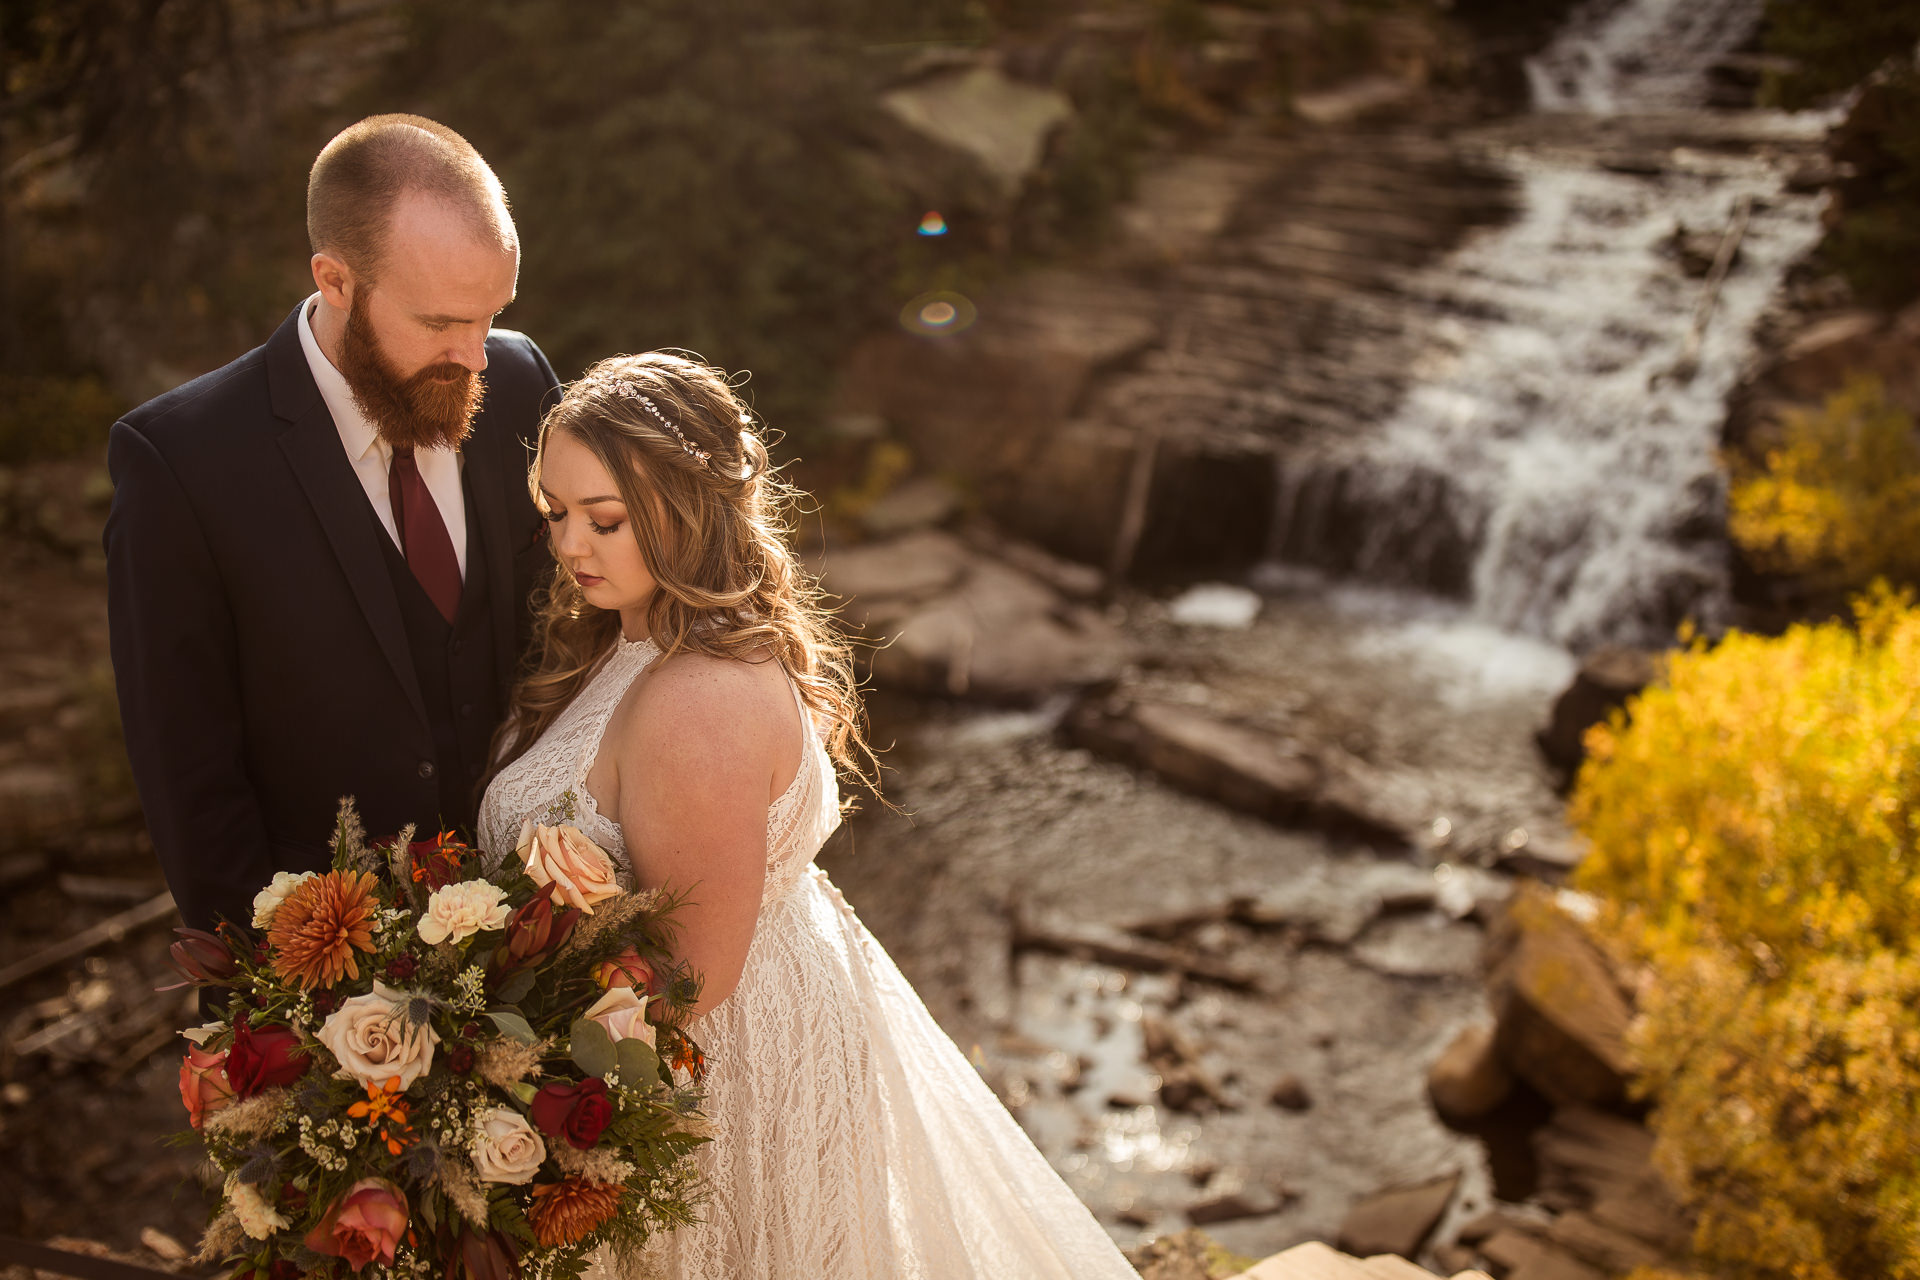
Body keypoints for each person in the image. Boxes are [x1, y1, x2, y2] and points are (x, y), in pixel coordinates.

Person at [477, 353, 1140, 1278]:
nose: (570, 546)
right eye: (556, 513)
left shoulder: (697, 698)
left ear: (688, 510)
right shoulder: (629, 637)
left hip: (711, 1088)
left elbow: (685, 986)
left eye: (606, 520)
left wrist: (482, 1052)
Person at [105, 114, 559, 937]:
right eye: (439, 323)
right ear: (336, 280)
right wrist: (278, 1005)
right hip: (327, 975)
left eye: (490, 314)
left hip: (544, 935)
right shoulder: (181, 462)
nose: (476, 356)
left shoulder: (523, 380)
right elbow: (189, 777)